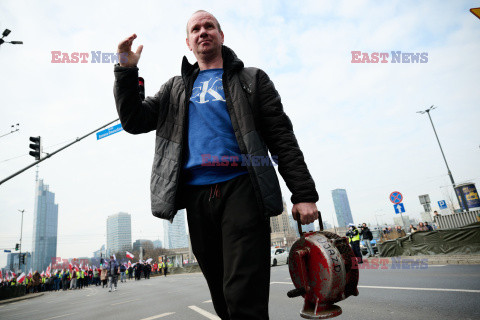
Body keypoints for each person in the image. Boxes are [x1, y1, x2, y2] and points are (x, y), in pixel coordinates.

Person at [113, 10, 319, 320]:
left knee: (242, 293)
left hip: (242, 188)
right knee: (223, 295)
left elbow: (281, 138)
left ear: (221, 36)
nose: (203, 31)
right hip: (196, 198)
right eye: (195, 28)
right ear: (188, 42)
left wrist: (303, 193)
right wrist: (126, 72)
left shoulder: (252, 80)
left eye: (210, 26)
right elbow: (133, 120)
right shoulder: (174, 89)